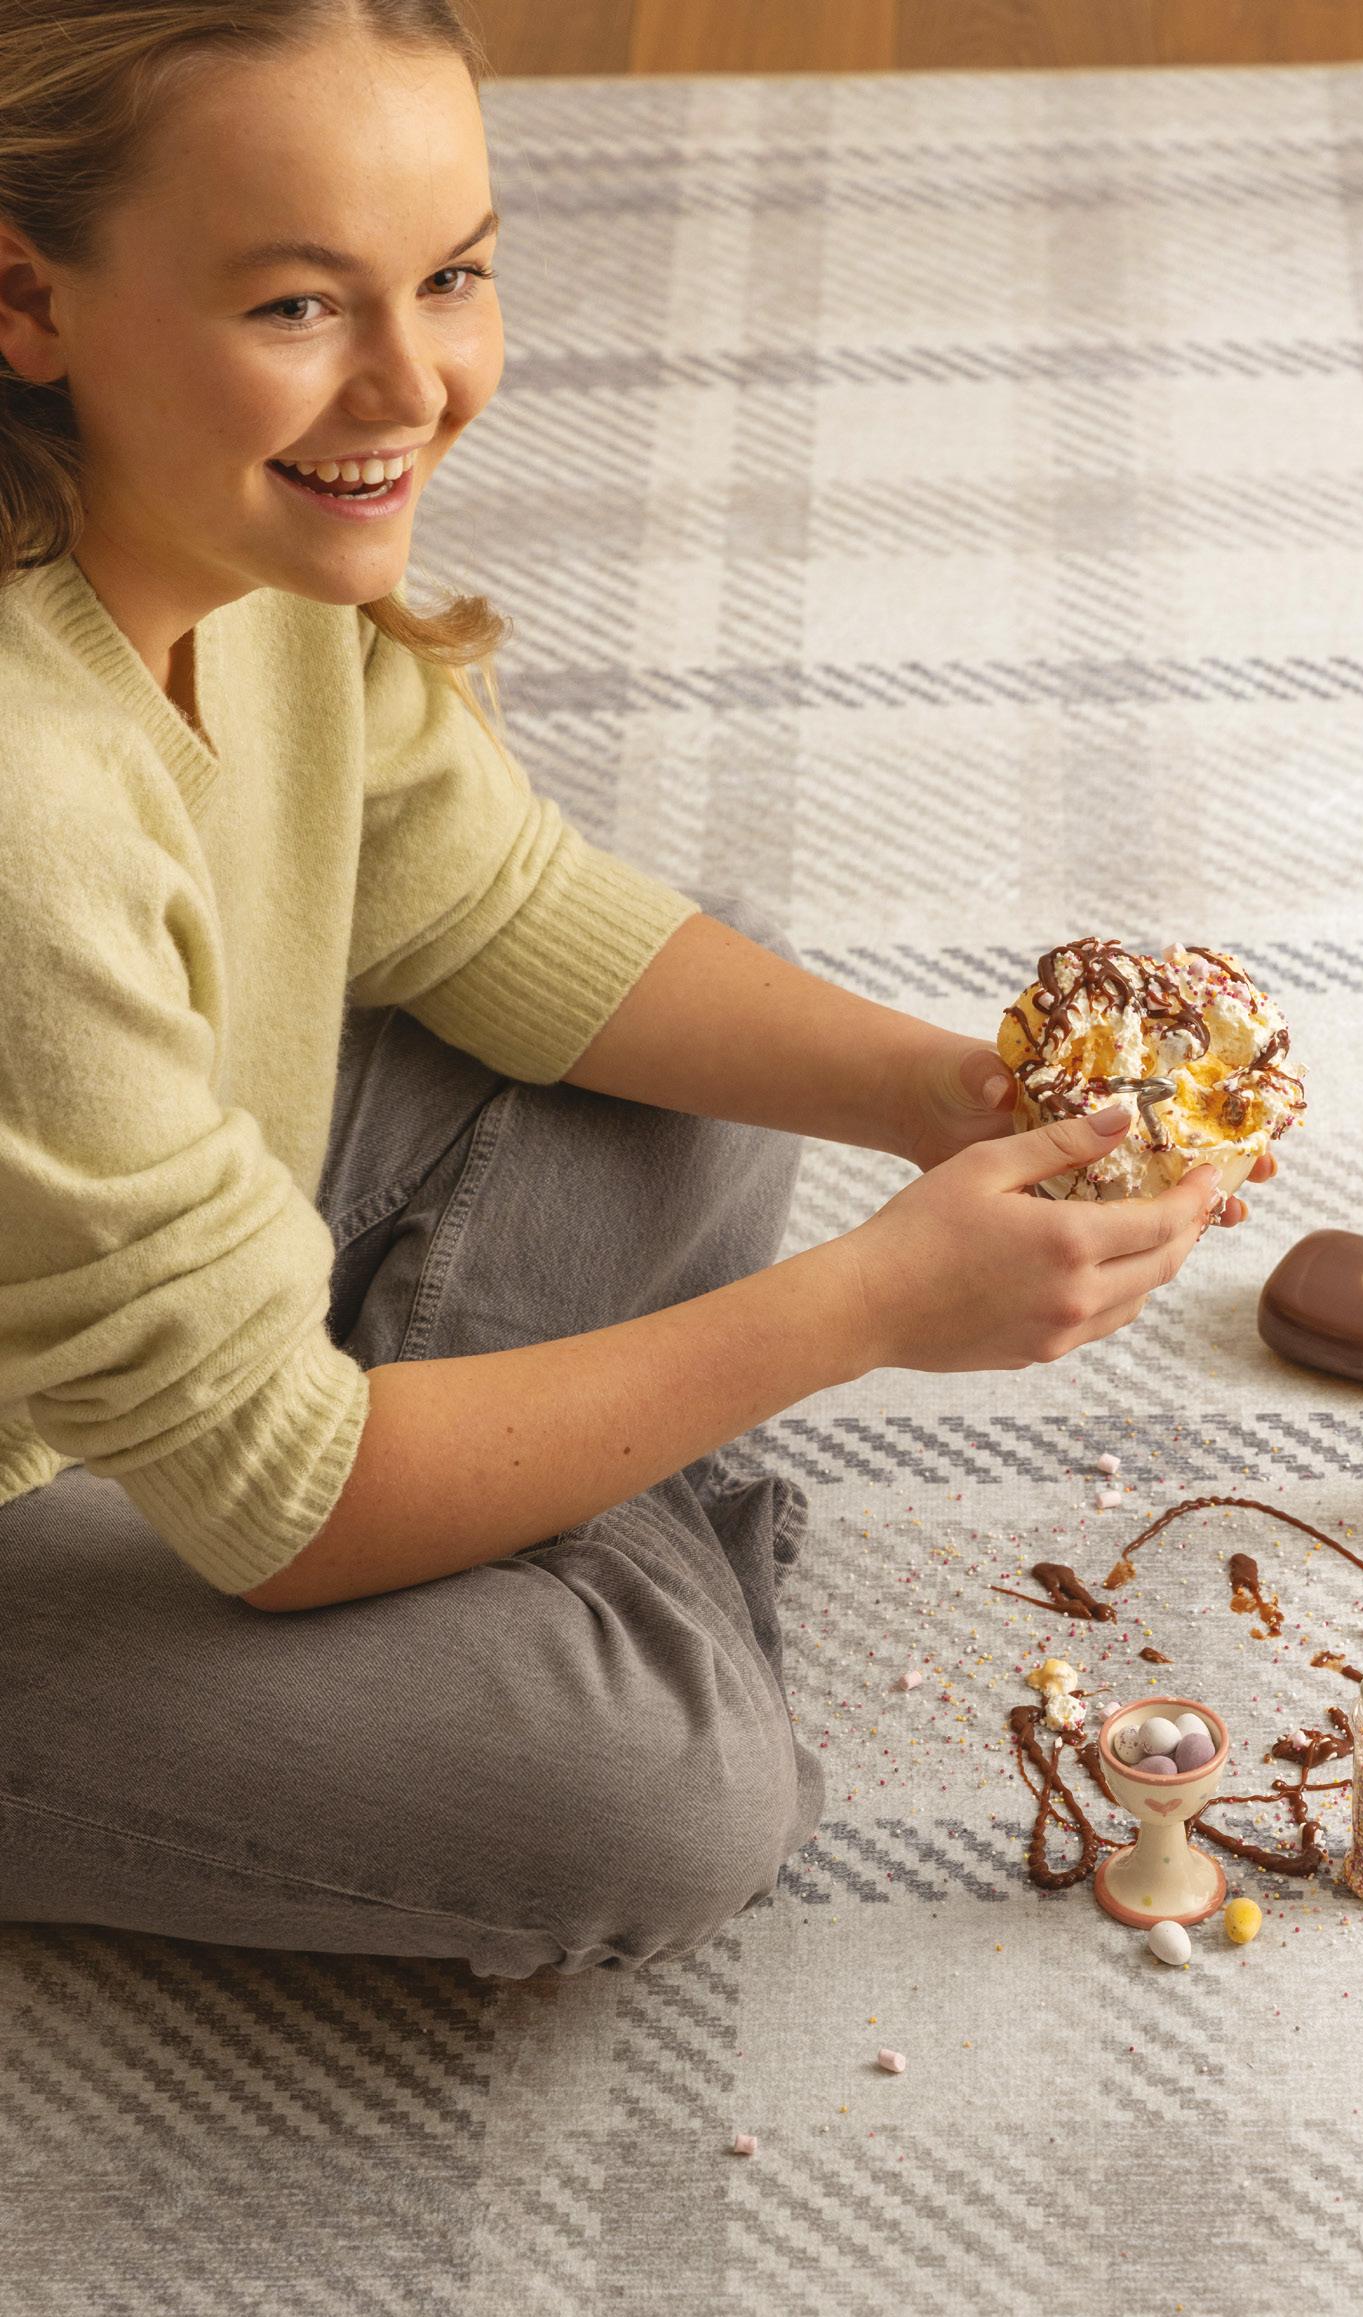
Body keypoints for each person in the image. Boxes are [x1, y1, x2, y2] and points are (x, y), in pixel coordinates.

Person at [0, 0, 1276, 1978]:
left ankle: (515, 1501)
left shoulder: (225, 530)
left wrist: (948, 1097)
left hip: (132, 1296)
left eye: (452, 275)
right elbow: (277, 1499)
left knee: (691, 1028)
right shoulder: (31, 805)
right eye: (297, 307)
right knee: (656, 1798)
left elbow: (501, 909)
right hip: (59, 1473)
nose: (415, 386)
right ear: (26, 299)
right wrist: (860, 1311)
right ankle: (556, 1567)